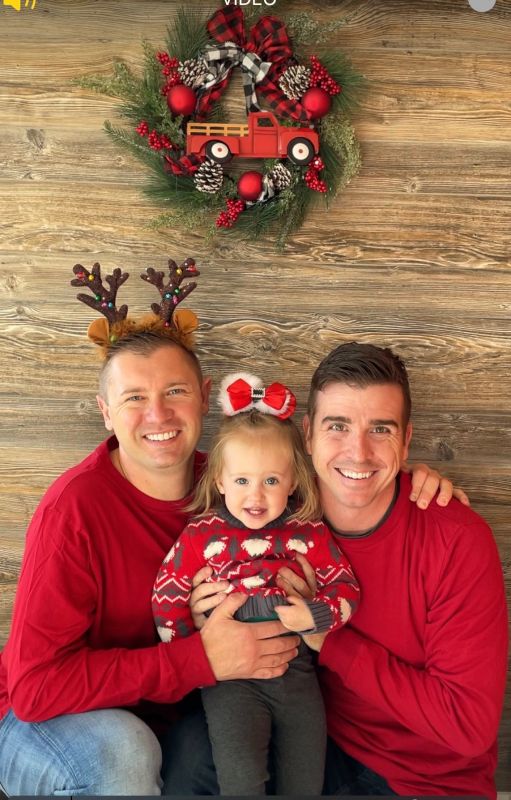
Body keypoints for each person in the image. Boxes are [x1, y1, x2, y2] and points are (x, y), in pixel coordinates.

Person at [0, 256, 464, 797]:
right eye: (134, 398)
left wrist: (409, 482)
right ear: (106, 411)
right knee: (125, 751)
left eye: (175, 392)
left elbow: (340, 474)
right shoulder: (75, 511)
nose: (158, 415)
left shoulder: (239, 486)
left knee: (223, 756)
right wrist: (198, 656)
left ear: (204, 395)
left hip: (184, 705)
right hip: (46, 725)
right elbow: (35, 691)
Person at [282, 342, 508, 797]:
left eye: (380, 429)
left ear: (405, 441)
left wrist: (331, 640)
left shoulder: (456, 540)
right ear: (307, 435)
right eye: (337, 426)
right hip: (318, 749)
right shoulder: (276, 519)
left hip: (424, 779)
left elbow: (467, 725)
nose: (358, 452)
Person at [153, 372, 360, 795]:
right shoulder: (201, 535)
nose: (256, 496)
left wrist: (315, 615)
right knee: (241, 780)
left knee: (306, 779)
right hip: (230, 683)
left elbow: (346, 587)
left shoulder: (308, 531)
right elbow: (166, 594)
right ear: (220, 480)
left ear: (293, 481)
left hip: (297, 675)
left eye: (271, 481)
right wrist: (192, 649)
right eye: (242, 481)